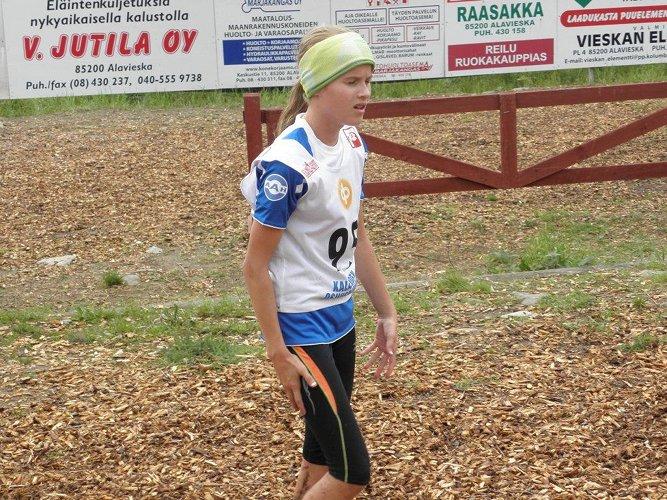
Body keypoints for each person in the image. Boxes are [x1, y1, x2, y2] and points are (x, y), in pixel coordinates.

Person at [241, 26, 398, 499]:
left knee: (321, 455)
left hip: (340, 320)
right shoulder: (288, 164)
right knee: (352, 471)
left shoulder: (352, 143)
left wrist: (386, 311)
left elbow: (356, 234)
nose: (365, 92)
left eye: (368, 80)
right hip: (302, 329)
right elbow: (254, 266)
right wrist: (277, 352)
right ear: (316, 86)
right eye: (351, 81)